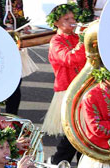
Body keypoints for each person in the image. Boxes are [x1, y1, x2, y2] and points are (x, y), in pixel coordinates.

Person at [45, 4, 86, 146]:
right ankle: (57, 165)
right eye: (66, 19)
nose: (72, 21)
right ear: (56, 22)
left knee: (84, 138)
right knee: (70, 140)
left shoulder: (77, 37)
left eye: (73, 18)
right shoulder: (56, 41)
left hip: (84, 90)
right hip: (67, 92)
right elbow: (70, 59)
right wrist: (83, 41)